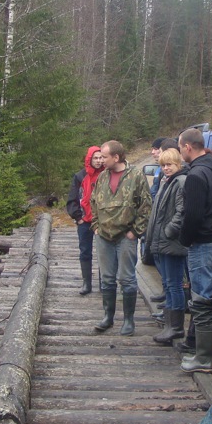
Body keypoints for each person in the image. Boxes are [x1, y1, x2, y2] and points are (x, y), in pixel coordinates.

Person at [177, 127, 212, 373]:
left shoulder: (197, 175)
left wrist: (186, 240)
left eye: (180, 148)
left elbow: (193, 215)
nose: (180, 153)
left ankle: (204, 359)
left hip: (204, 244)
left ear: (188, 147)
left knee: (201, 301)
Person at [90, 140, 152, 336]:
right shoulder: (102, 177)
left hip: (126, 236)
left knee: (127, 279)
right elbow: (93, 202)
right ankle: (108, 317)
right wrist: (95, 226)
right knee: (107, 280)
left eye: (105, 156)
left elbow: (146, 206)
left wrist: (136, 231)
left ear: (116, 157)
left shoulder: (135, 175)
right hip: (104, 237)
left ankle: (128, 320)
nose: (101, 160)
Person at [144, 147, 188, 345]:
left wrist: (169, 231)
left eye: (169, 164)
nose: (166, 168)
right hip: (163, 242)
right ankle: (170, 324)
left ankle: (176, 327)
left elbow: (182, 211)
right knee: (169, 284)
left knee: (174, 284)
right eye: (163, 165)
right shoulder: (166, 182)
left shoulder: (180, 182)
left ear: (178, 164)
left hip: (172, 242)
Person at [66, 146, 105, 296]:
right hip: (85, 220)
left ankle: (104, 283)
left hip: (103, 221)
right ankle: (86, 283)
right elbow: (73, 199)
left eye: (101, 157)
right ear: (89, 159)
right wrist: (78, 217)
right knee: (85, 251)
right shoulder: (80, 176)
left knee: (103, 252)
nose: (99, 161)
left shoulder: (106, 174)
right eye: (95, 158)